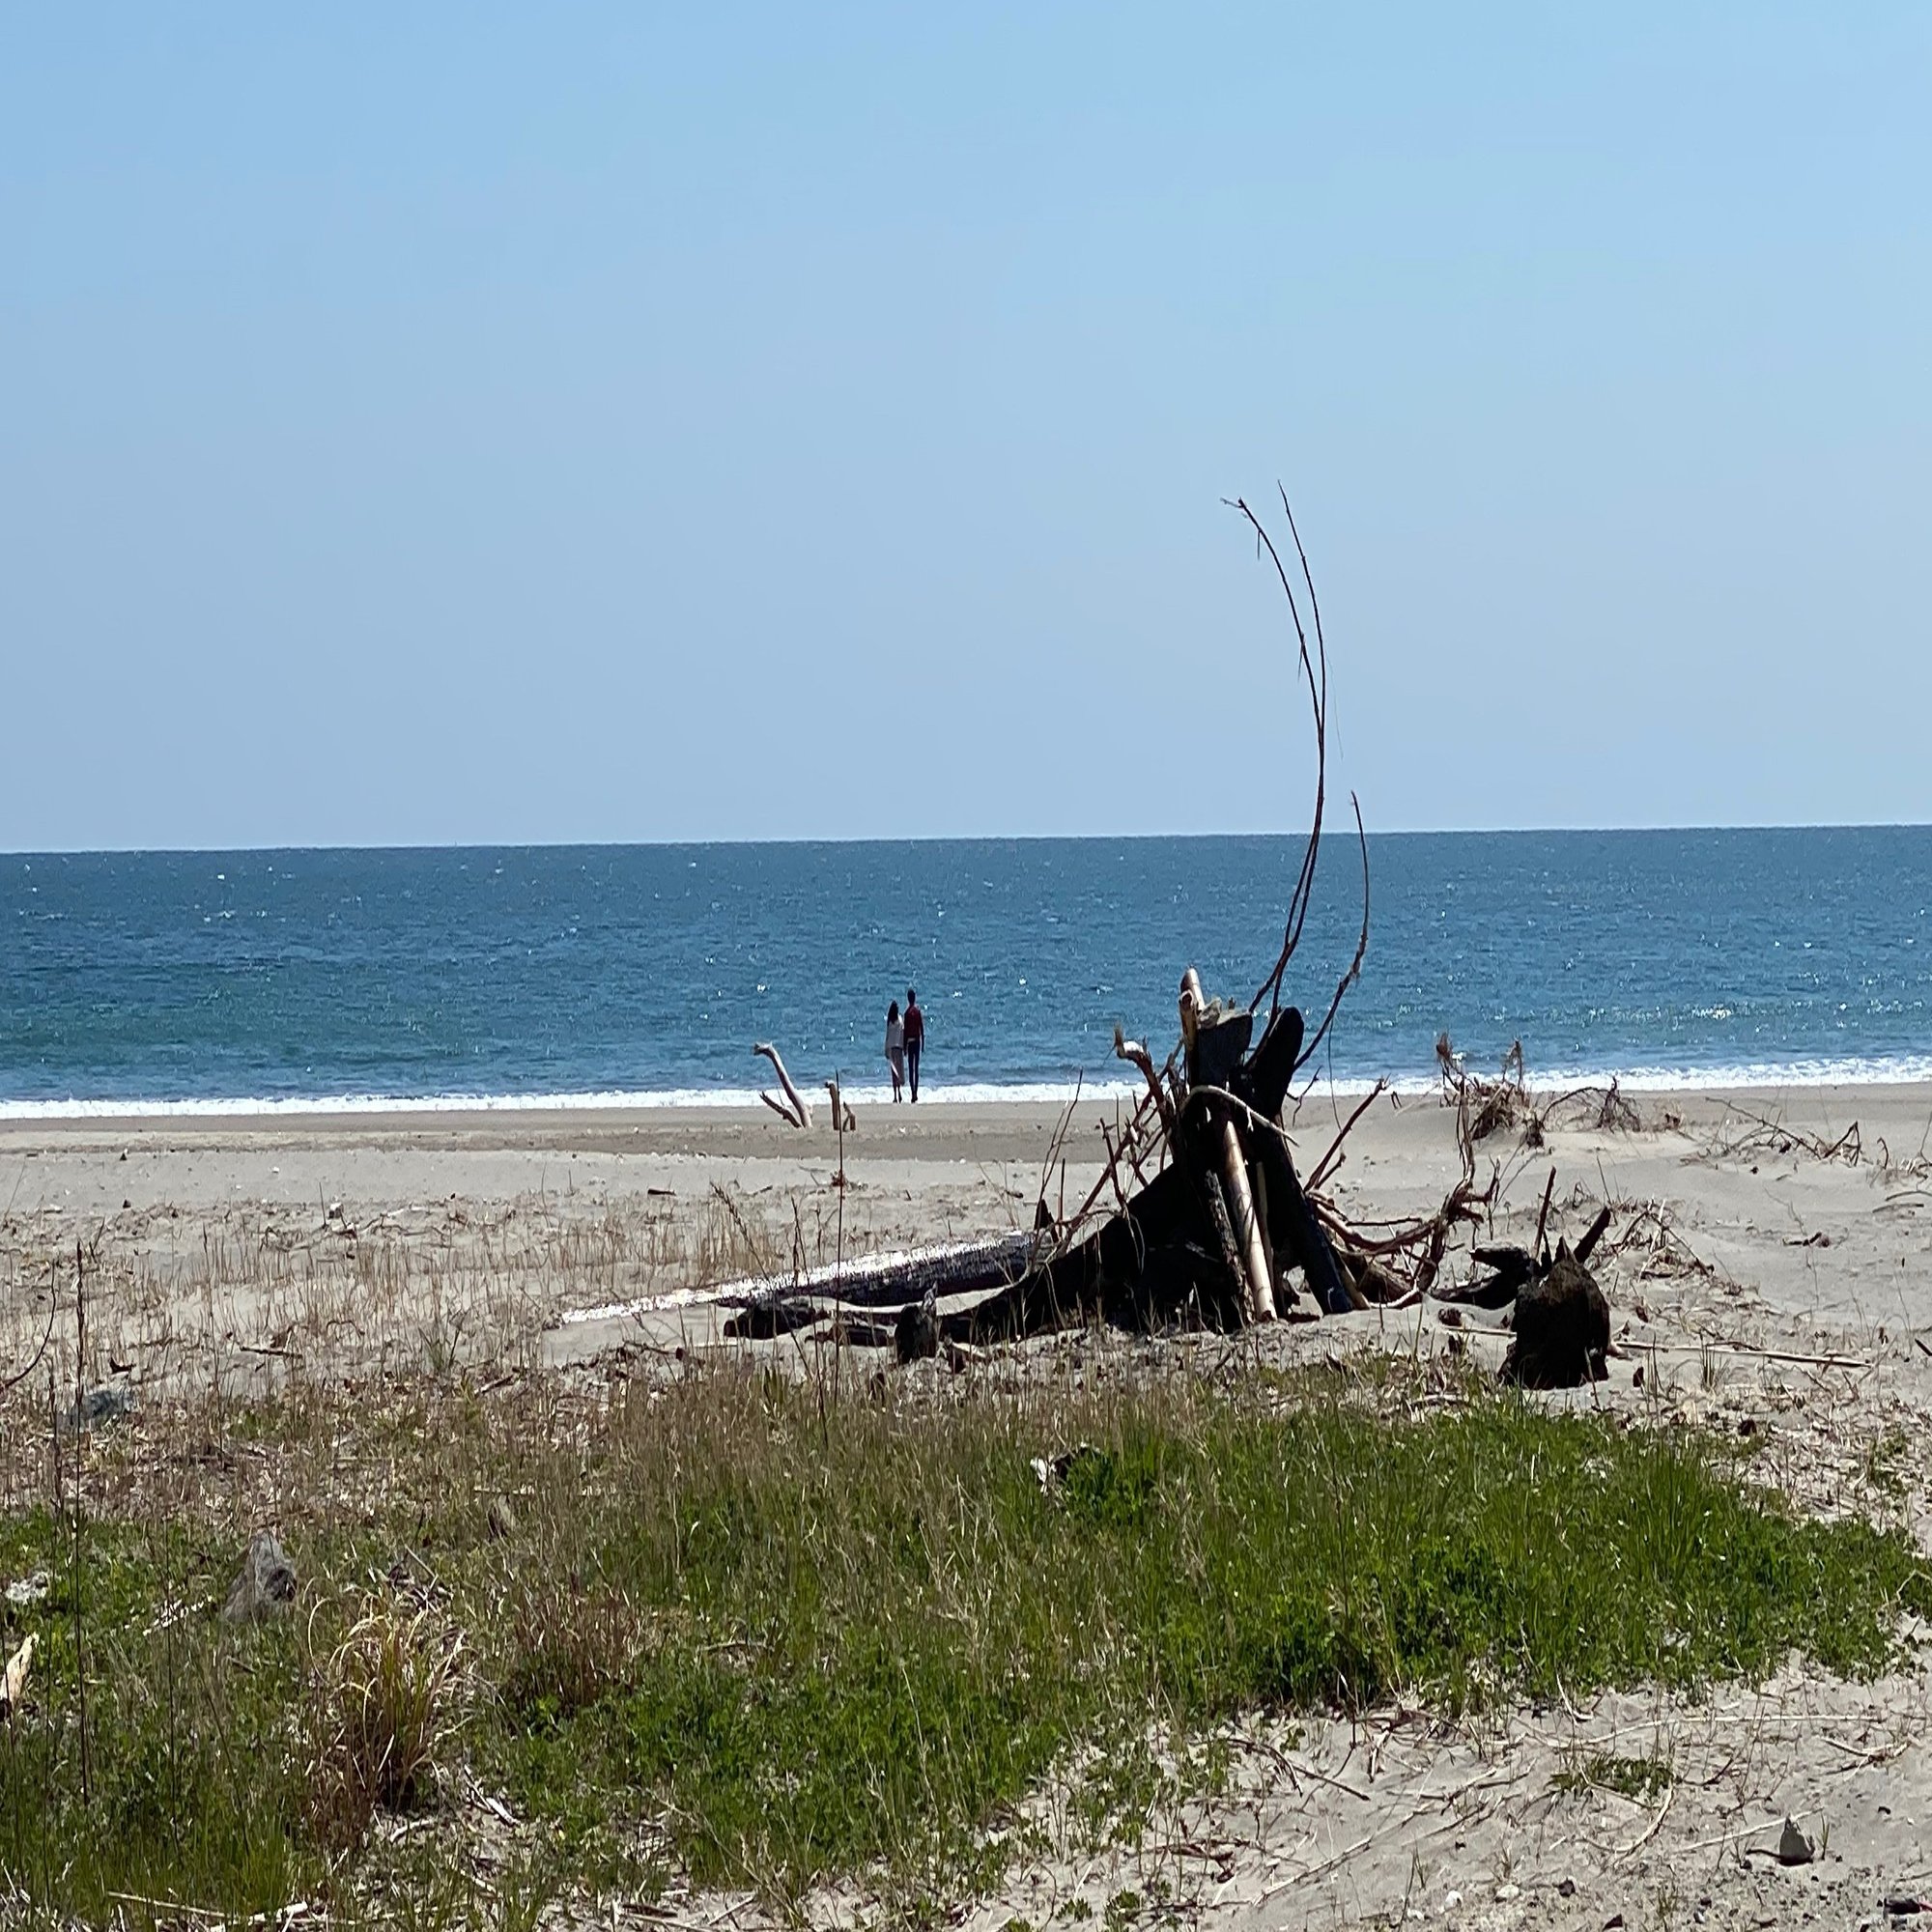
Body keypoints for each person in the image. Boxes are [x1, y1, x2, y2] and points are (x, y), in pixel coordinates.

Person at [903, 986, 924, 1101]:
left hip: (910, 1042)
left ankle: (913, 1092)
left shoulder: (907, 1013)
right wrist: (923, 1043)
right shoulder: (917, 1012)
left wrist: (904, 1047)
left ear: (908, 999)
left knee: (911, 1069)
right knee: (916, 1068)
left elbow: (905, 1031)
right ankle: (915, 1091)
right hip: (917, 1041)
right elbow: (921, 1028)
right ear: (914, 998)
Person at [885, 999, 906, 1102]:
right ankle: (899, 1092)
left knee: (894, 1073)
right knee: (899, 1072)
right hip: (899, 1048)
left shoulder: (890, 1022)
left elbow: (888, 1036)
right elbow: (903, 1033)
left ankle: (895, 1095)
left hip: (892, 1048)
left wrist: (886, 1048)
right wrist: (904, 1047)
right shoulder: (900, 1020)